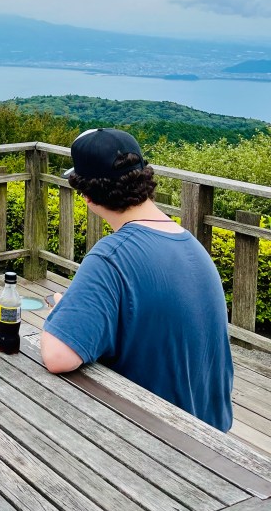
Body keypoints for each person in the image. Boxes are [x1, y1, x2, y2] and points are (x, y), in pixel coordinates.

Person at [41, 128, 233, 432]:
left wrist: (61, 313)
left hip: (158, 438)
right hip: (211, 435)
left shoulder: (111, 256)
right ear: (145, 179)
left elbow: (57, 356)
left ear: (87, 196)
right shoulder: (191, 245)